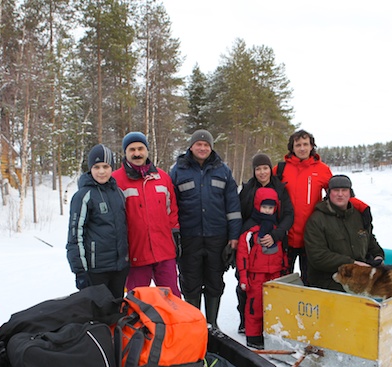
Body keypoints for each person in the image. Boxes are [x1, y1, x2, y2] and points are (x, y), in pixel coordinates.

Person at [274, 129, 370, 285]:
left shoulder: (322, 169)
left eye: (306, 144)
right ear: (292, 148)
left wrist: (362, 207)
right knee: (282, 282)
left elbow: (338, 193)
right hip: (286, 236)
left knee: (310, 281)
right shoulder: (281, 169)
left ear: (312, 146)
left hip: (312, 238)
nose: (302, 148)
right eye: (298, 145)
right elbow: (263, 191)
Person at [170, 129, 242, 328]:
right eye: (199, 144)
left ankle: (212, 325)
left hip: (217, 238)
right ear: (191, 146)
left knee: (214, 282)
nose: (202, 148)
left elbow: (233, 207)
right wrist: (173, 235)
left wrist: (234, 237)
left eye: (206, 145)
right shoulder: (178, 170)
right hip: (189, 238)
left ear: (211, 148)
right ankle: (194, 326)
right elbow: (170, 206)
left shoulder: (223, 171)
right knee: (190, 283)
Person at [113, 131, 182, 298]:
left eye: (140, 148)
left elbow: (172, 211)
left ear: (147, 150)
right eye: (132, 149)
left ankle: (172, 326)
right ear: (125, 152)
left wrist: (175, 237)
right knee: (137, 301)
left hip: (164, 251)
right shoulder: (116, 180)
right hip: (136, 253)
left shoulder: (163, 178)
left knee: (172, 299)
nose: (137, 153)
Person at [236, 153, 294, 334]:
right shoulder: (247, 189)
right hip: (252, 240)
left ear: (271, 169)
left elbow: (288, 215)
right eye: (258, 169)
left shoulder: (280, 188)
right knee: (246, 284)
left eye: (265, 168)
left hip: (275, 242)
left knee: (275, 285)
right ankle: (246, 321)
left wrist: (276, 234)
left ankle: (272, 324)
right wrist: (244, 237)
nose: (262, 172)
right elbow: (241, 215)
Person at [66, 144, 129, 298]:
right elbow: (75, 235)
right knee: (98, 315)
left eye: (106, 166)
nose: (101, 171)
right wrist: (80, 271)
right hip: (95, 270)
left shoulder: (118, 193)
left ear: (112, 168)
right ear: (90, 168)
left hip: (119, 268)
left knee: (117, 313)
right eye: (97, 167)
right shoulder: (83, 196)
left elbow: (123, 228)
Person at [304, 175, 384, 291]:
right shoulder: (317, 219)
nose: (340, 194)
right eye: (336, 190)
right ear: (329, 193)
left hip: (358, 275)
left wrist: (378, 255)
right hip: (329, 278)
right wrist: (352, 263)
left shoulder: (358, 215)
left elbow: (369, 239)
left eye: (344, 190)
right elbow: (318, 256)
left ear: (350, 193)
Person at [236, 187, 289, 349]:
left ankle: (271, 334)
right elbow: (243, 256)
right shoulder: (250, 232)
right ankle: (253, 336)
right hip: (255, 276)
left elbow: (283, 253)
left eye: (271, 208)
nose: (267, 211)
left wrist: (285, 271)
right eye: (264, 207)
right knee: (255, 307)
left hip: (274, 274)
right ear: (257, 206)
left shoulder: (277, 231)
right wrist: (243, 277)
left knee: (273, 306)